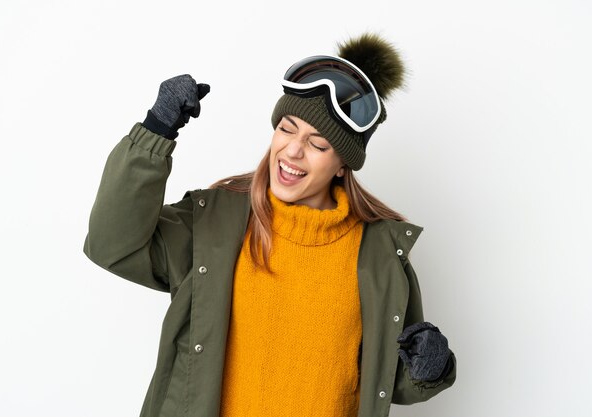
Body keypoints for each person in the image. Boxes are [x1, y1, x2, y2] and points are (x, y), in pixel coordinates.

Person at [83, 32, 456, 417]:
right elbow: (112, 246)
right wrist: (155, 132)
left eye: (319, 144)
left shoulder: (379, 256)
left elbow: (388, 377)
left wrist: (432, 367)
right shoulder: (215, 224)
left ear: (343, 164)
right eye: (287, 128)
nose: (292, 150)